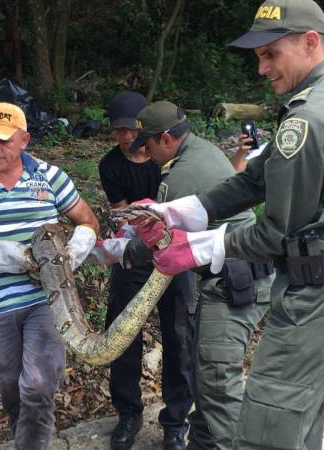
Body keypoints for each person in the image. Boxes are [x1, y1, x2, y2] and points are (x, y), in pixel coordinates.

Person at [137, 1, 324, 448]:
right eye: (258, 57)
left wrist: (192, 248)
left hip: (317, 293)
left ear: (310, 42)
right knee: (298, 429)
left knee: (265, 435)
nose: (261, 69)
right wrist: (175, 213)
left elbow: (275, 233)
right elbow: (254, 178)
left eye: (271, 54)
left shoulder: (310, 119)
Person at [0, 102, 99, 449]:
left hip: (46, 300)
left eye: (3, 141)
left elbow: (88, 221)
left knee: (39, 384)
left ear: (24, 140)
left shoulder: (50, 177)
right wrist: (23, 258)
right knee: (12, 387)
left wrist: (71, 254)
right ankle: (25, 438)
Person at [120, 101, 273, 450]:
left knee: (218, 386)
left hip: (233, 283)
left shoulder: (182, 175)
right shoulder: (203, 150)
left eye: (148, 144)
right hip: (232, 278)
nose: (145, 152)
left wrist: (123, 253)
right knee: (206, 379)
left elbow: (160, 239)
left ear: (167, 138)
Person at [98, 92, 196, 450]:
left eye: (130, 129)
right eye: (118, 131)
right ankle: (128, 413)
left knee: (180, 334)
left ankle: (176, 419)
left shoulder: (167, 157)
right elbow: (125, 216)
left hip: (175, 252)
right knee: (123, 333)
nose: (125, 137)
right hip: (136, 253)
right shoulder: (111, 166)